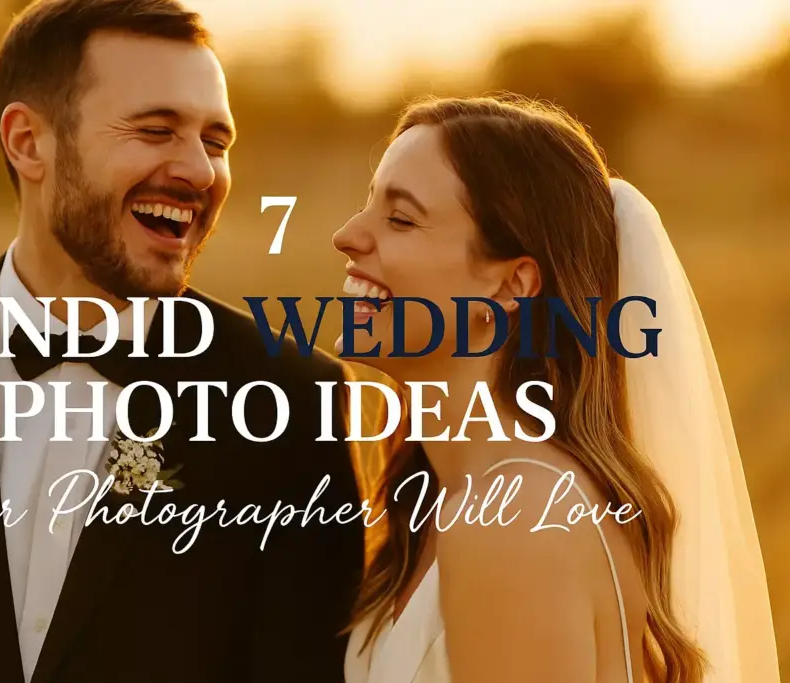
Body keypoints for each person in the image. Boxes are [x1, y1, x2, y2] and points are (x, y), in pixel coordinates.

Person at [0, 1, 364, 682]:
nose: (200, 171)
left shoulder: (291, 402)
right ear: (28, 142)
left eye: (216, 141)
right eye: (156, 129)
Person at [332, 95, 780, 683]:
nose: (346, 236)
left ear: (513, 283)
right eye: (368, 207)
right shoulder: (458, 507)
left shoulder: (513, 520)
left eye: (401, 218)